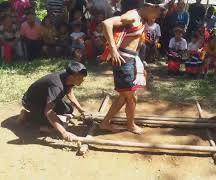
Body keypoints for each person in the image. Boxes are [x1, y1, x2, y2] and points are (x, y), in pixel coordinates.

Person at [99, 0, 167, 134]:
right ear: (152, 7)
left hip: (130, 59)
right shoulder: (132, 16)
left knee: (125, 96)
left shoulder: (140, 17)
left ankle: (105, 122)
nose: (157, 16)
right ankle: (130, 125)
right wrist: (112, 48)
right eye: (157, 12)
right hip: (123, 61)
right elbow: (106, 23)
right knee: (131, 97)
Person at [17, 62, 87, 141]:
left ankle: (41, 115)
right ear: (71, 77)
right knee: (55, 125)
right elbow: (49, 111)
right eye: (80, 78)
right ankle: (27, 115)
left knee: (69, 109)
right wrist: (64, 132)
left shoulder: (68, 76)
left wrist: (81, 109)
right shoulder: (57, 86)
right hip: (32, 102)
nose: (83, 79)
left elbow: (69, 91)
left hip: (46, 98)